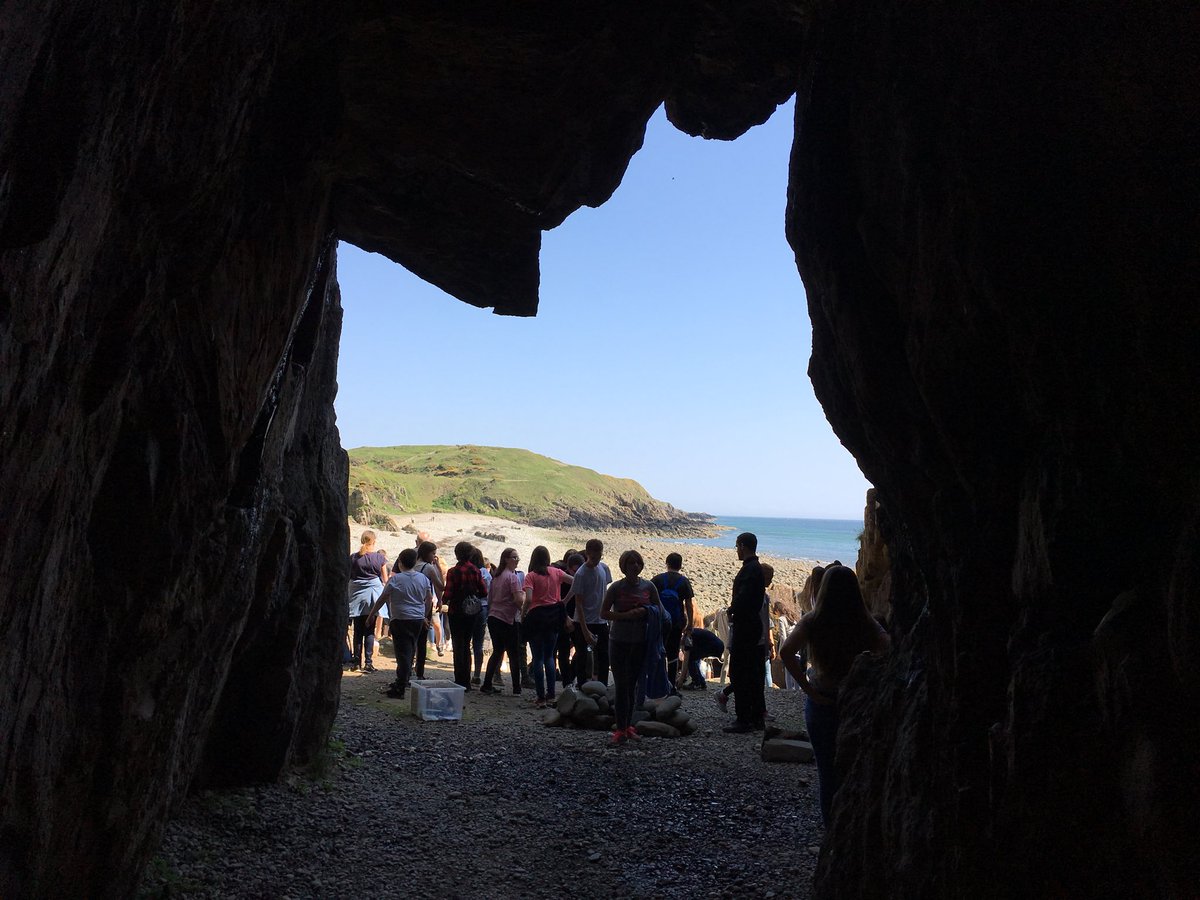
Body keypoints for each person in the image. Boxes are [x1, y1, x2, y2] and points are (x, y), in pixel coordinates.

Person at [780, 565, 890, 824]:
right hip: (856, 701)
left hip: (822, 701)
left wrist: (808, 690)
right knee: (856, 768)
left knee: (827, 772)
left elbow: (786, 652)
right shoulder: (864, 621)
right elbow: (889, 646)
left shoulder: (814, 620)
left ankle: (832, 830)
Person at [601, 550, 665, 746]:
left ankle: (628, 726)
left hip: (640, 642)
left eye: (638, 562)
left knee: (633, 685)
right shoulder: (616, 588)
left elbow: (660, 611)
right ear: (623, 566)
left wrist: (645, 611)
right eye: (630, 563)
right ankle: (620, 729)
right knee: (621, 685)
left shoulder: (649, 586)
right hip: (618, 641)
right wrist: (625, 616)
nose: (635, 566)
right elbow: (603, 613)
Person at [368, 548, 433, 699]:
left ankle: (401, 685)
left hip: (400, 618)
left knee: (402, 653)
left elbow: (383, 598)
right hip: (417, 619)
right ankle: (403, 679)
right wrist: (424, 615)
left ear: (400, 563)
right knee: (410, 649)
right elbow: (429, 598)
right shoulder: (422, 578)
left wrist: (371, 615)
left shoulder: (396, 579)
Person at [723, 532, 766, 733]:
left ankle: (744, 718)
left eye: (737, 546)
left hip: (746, 626)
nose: (737, 551)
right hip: (752, 625)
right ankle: (756, 717)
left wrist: (732, 610)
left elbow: (744, 598)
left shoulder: (749, 570)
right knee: (753, 673)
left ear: (742, 545)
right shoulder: (755, 569)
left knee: (740, 672)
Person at [520, 546, 573, 708]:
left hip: (537, 617)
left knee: (537, 657)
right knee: (550, 656)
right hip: (554, 615)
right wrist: (564, 600)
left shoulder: (531, 576)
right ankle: (551, 695)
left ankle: (541, 696)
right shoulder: (556, 572)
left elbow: (528, 599)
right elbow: (575, 581)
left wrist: (523, 613)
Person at [563, 539, 612, 687]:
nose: (597, 559)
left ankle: (602, 686)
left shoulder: (604, 568)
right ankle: (581, 685)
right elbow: (579, 603)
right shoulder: (581, 573)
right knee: (581, 655)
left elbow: (605, 592)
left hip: (601, 620)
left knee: (604, 655)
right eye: (594, 556)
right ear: (588, 553)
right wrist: (584, 630)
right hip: (583, 621)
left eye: (599, 555)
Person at [442, 541, 489, 690]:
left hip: (456, 610)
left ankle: (459, 679)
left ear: (456, 555)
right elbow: (484, 592)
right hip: (471, 611)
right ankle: (467, 681)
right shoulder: (476, 571)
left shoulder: (452, 571)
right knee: (467, 644)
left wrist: (443, 601)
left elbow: (448, 593)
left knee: (458, 644)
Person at [481, 548, 524, 695]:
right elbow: (518, 600)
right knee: (513, 653)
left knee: (497, 651)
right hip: (507, 618)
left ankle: (487, 683)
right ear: (506, 559)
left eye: (517, 557)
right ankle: (516, 687)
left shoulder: (496, 577)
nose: (517, 560)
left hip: (494, 617)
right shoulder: (512, 578)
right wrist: (523, 609)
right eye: (514, 557)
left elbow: (490, 599)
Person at [651, 553, 695, 691]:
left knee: (657, 650)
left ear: (667, 563)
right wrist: (689, 625)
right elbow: (689, 605)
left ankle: (656, 682)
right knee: (673, 653)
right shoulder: (684, 581)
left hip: (659, 621)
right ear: (680, 565)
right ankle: (670, 685)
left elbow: (649, 600)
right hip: (676, 623)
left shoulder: (657, 579)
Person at [347, 530, 388, 673]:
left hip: (357, 595)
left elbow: (348, 575)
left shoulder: (353, 557)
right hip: (373, 596)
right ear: (374, 541)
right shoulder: (379, 558)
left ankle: (356, 662)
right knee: (369, 630)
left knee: (357, 630)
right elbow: (385, 579)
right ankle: (368, 662)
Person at [411, 541, 445, 679]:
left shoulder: (412, 565)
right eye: (433, 554)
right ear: (427, 553)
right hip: (424, 605)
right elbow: (441, 586)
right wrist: (437, 566)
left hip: (411, 603)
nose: (434, 557)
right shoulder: (429, 568)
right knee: (421, 640)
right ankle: (419, 672)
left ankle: (408, 669)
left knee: (411, 639)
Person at [554, 550, 582, 685]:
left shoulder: (577, 578)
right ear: (568, 567)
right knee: (563, 650)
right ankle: (566, 680)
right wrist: (565, 616)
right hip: (562, 616)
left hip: (576, 616)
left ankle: (569, 678)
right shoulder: (562, 579)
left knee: (580, 649)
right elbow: (558, 600)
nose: (576, 575)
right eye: (574, 571)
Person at [469, 547, 493, 685]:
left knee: (466, 640)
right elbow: (489, 593)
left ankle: (466, 671)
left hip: (468, 606)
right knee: (478, 642)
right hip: (483, 607)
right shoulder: (485, 573)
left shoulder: (470, 571)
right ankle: (477, 673)